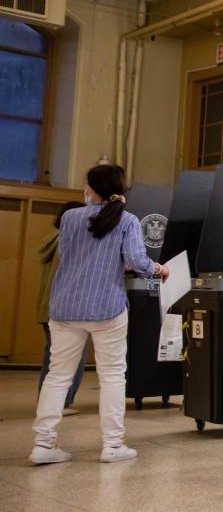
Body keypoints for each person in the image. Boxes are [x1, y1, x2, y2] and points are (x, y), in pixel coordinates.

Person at [30, 165, 170, 465]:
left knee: (58, 376)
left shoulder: (69, 217)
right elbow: (136, 261)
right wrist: (160, 269)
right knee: (112, 376)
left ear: (91, 189)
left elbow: (71, 258)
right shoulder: (127, 220)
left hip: (66, 306)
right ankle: (113, 445)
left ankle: (43, 444)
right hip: (107, 307)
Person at [35, 200, 87, 415]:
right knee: (72, 358)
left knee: (53, 358)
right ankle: (62, 403)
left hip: (47, 308)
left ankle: (46, 402)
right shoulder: (70, 242)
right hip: (66, 309)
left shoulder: (53, 240)